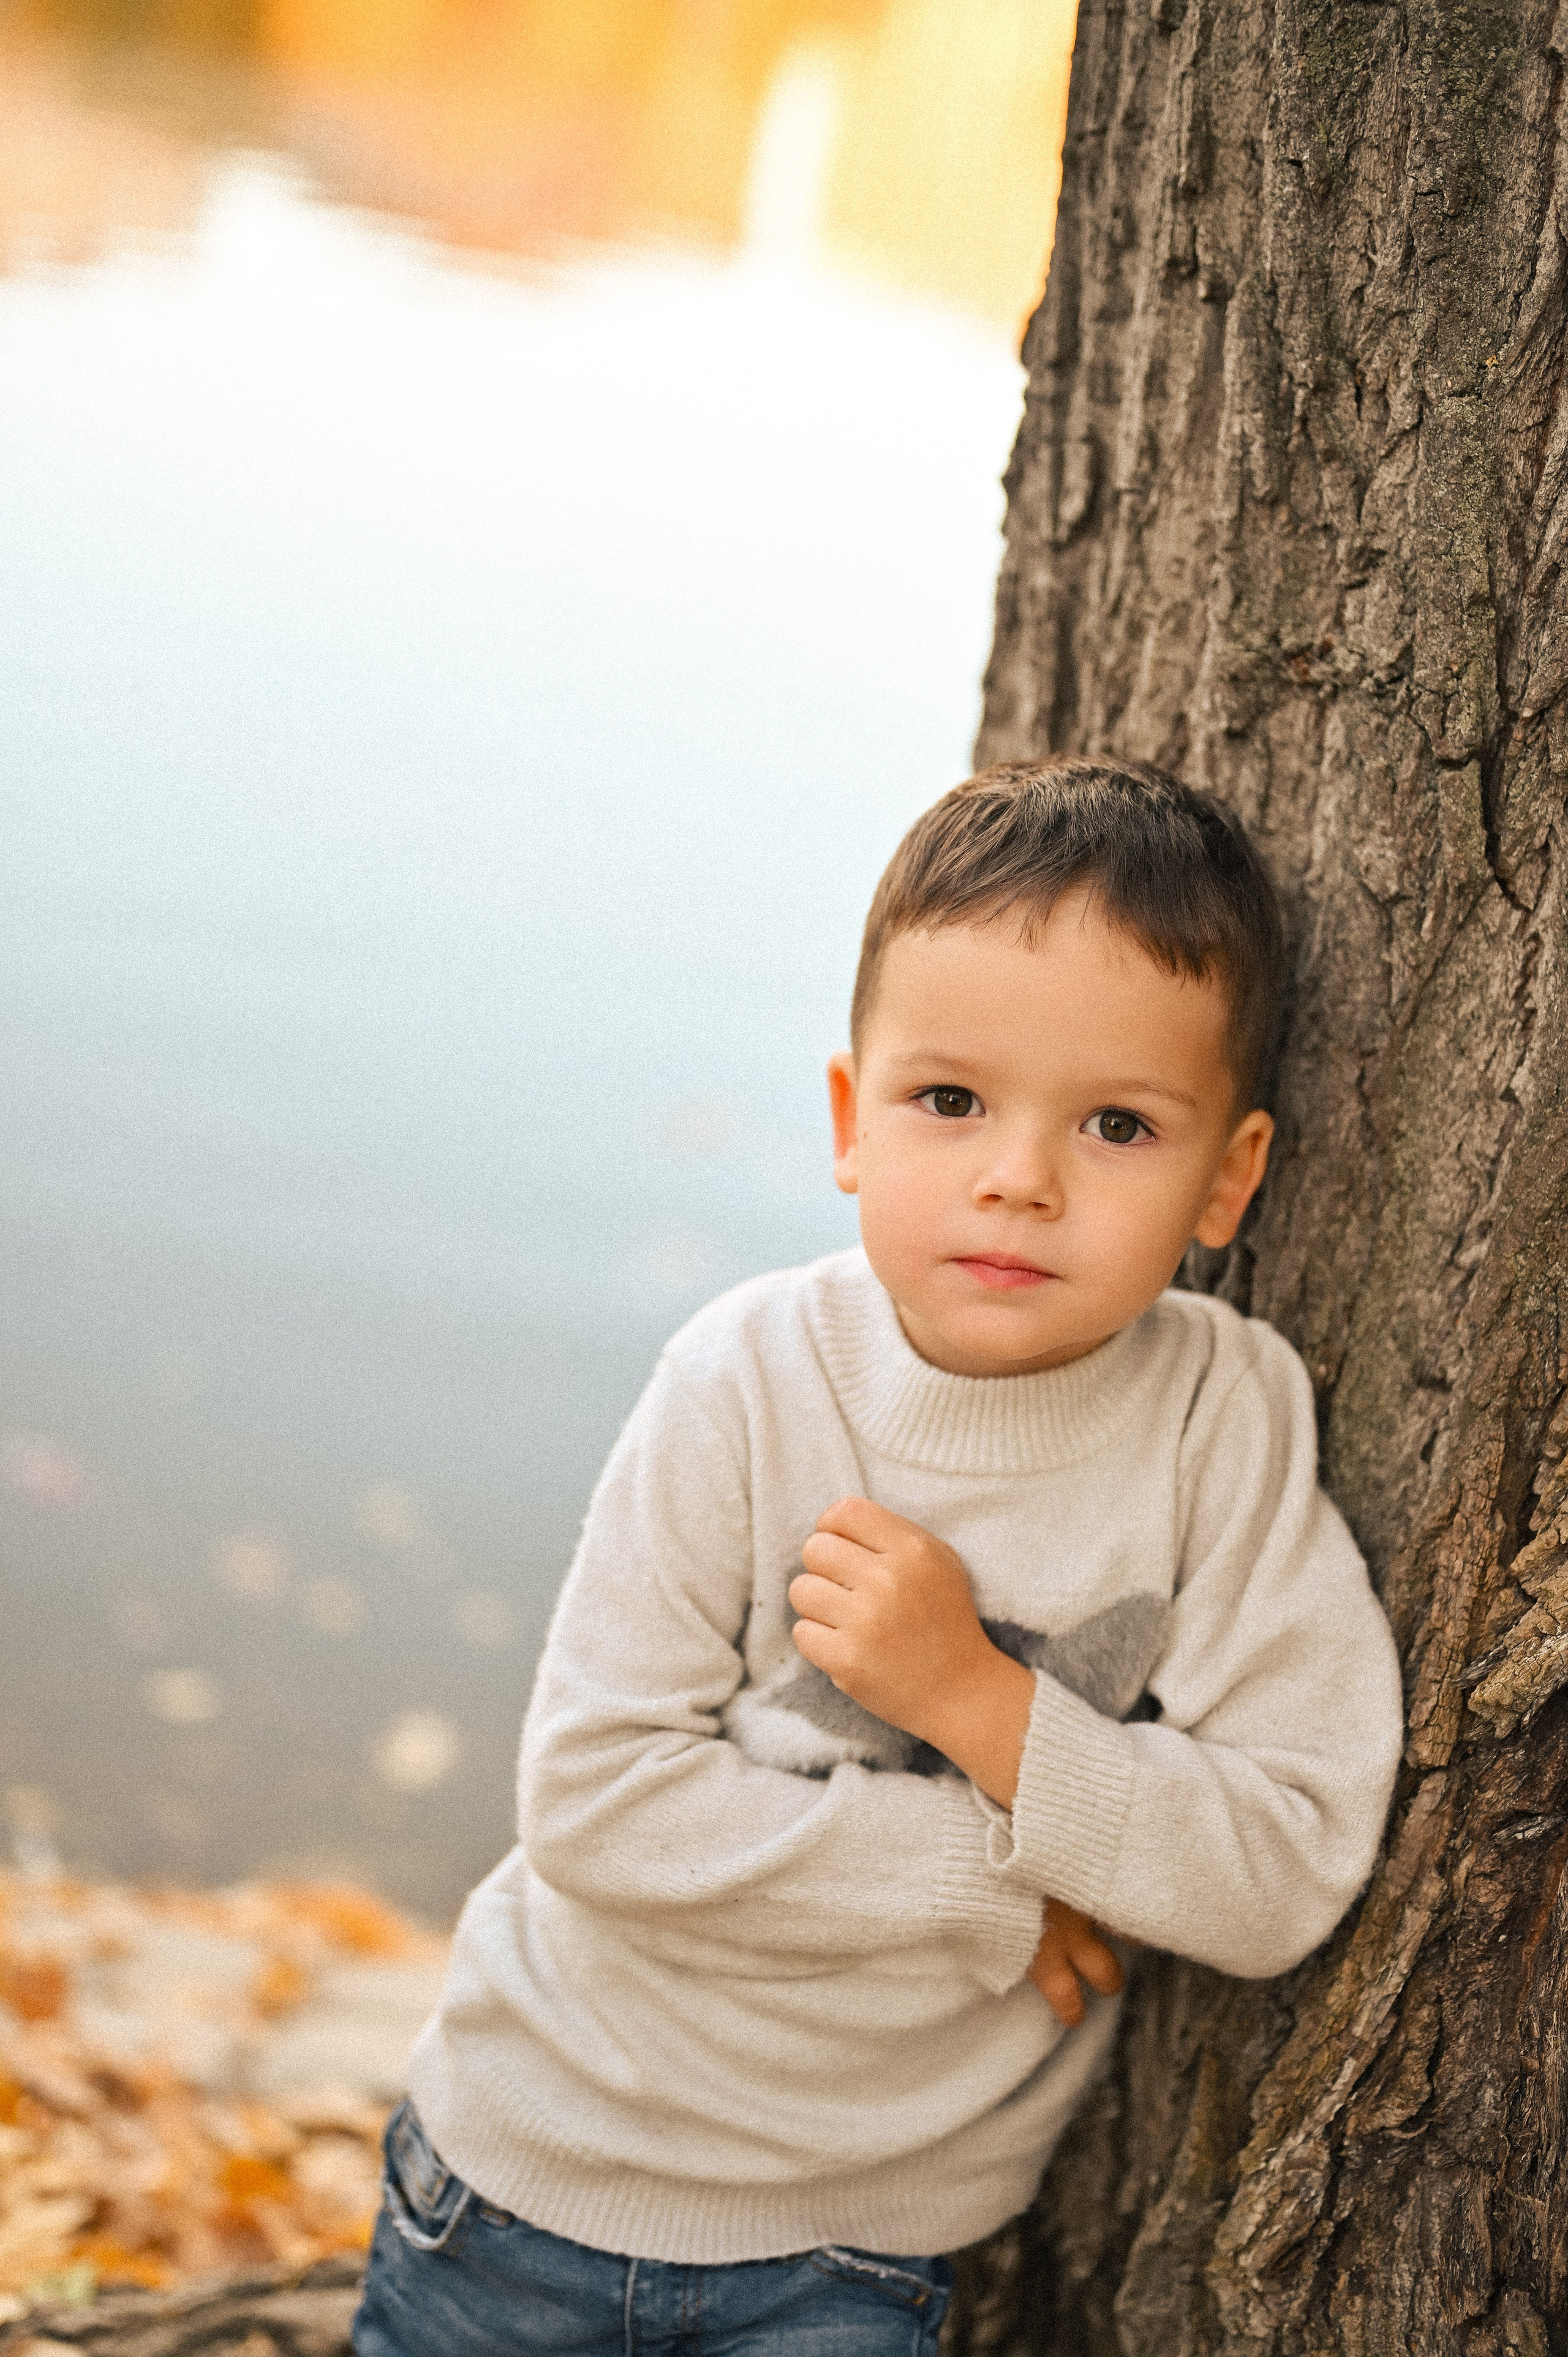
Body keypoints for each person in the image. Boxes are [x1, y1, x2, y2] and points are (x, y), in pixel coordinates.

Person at [352, 757, 1403, 2357]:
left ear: (1229, 1178)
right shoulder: (746, 1379)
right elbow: (595, 1801)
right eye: (951, 1102)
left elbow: (1284, 1866)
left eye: (1119, 1124)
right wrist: (998, 1885)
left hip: (859, 2252)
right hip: (534, 2168)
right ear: (853, 1120)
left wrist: (975, 1701)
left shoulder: (1220, 1423)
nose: (1019, 1178)